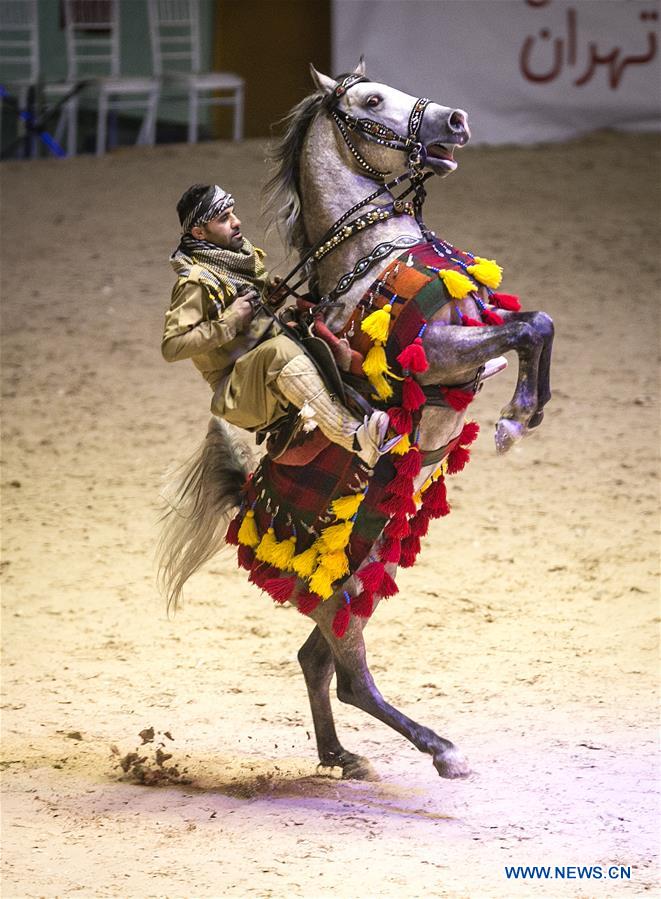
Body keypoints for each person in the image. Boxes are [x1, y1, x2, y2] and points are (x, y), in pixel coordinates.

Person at [161, 183, 392, 466]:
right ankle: (354, 436)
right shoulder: (195, 283)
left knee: (310, 328)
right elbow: (172, 346)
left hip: (257, 365)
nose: (236, 222)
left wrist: (268, 302)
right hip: (239, 390)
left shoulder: (235, 259)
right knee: (281, 350)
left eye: (232, 213)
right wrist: (230, 320)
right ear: (199, 233)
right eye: (223, 219)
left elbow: (245, 330)